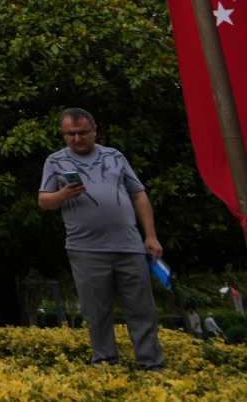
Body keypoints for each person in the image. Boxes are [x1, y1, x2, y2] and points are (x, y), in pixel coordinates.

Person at [38, 108, 164, 370]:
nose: (76, 138)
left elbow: (139, 194)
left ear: (95, 130)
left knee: (142, 310)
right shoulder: (55, 161)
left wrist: (150, 235)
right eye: (70, 134)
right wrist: (64, 194)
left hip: (129, 245)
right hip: (85, 249)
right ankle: (105, 368)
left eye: (83, 132)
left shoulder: (114, 156)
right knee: (97, 314)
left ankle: (152, 367)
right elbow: (44, 200)